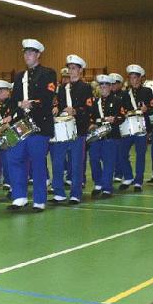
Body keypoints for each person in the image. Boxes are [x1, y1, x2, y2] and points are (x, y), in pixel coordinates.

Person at [9, 39, 57, 212]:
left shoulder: (48, 73)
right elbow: (13, 100)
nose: (27, 56)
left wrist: (31, 104)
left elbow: (47, 97)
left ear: (38, 54)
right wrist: (20, 105)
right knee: (14, 158)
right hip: (21, 125)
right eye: (25, 53)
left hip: (39, 125)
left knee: (37, 163)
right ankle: (20, 197)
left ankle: (39, 200)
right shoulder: (19, 76)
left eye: (30, 53)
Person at [48, 54, 92, 205]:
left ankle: (75, 193)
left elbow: (89, 108)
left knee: (76, 164)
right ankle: (59, 192)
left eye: (74, 68)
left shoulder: (86, 88)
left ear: (80, 70)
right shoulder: (62, 89)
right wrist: (55, 109)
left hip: (78, 131)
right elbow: (59, 105)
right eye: (69, 68)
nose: (71, 71)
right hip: (62, 132)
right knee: (58, 162)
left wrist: (76, 111)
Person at [89, 75, 126, 197]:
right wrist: (92, 125)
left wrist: (114, 119)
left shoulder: (117, 100)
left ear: (110, 87)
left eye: (106, 85)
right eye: (101, 85)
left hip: (111, 136)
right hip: (97, 136)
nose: (103, 88)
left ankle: (106, 187)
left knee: (108, 162)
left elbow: (122, 117)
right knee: (94, 159)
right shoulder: (95, 102)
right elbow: (92, 118)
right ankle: (98, 183)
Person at [119, 64, 153, 192]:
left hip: (141, 127)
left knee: (140, 155)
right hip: (127, 127)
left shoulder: (147, 91)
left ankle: (138, 181)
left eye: (135, 77)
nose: (133, 80)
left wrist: (146, 109)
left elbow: (152, 109)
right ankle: (128, 177)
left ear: (140, 78)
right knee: (122, 153)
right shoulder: (124, 94)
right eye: (131, 78)